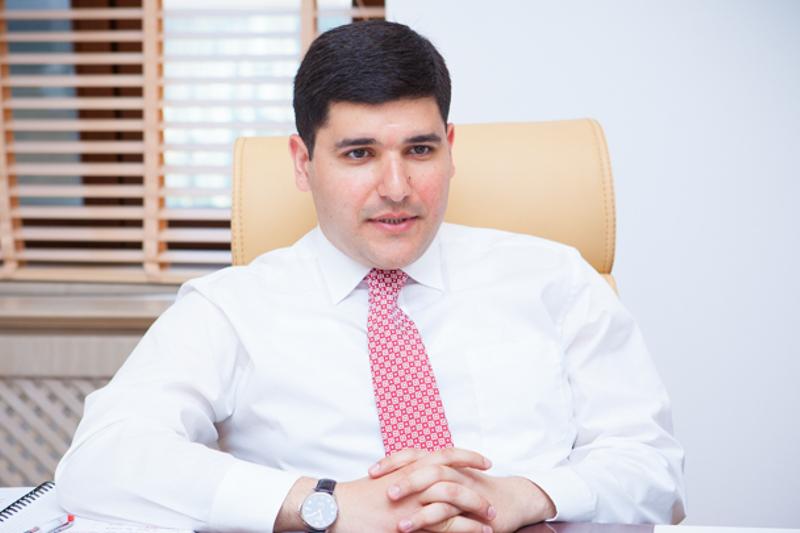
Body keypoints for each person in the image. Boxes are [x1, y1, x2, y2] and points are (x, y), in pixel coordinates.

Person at [55, 20, 686, 533]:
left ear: (450, 148)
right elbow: (103, 461)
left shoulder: (554, 278)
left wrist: (525, 496)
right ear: (302, 162)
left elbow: (652, 467)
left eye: (420, 150)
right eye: (359, 154)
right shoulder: (232, 307)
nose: (396, 187)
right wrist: (325, 505)